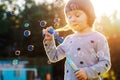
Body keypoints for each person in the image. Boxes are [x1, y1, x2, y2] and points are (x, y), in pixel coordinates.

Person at [43, 0, 111, 80]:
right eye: (69, 17)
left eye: (77, 15)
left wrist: (87, 72)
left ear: (89, 15)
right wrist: (50, 41)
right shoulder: (69, 40)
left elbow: (105, 63)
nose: (72, 19)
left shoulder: (98, 38)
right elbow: (54, 57)